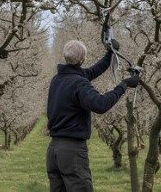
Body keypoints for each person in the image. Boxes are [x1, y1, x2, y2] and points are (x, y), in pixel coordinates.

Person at [46, 40, 139, 192]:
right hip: (72, 151)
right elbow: (100, 104)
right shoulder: (79, 83)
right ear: (82, 59)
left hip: (54, 150)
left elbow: (92, 71)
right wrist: (124, 84)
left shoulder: (58, 79)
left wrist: (109, 54)